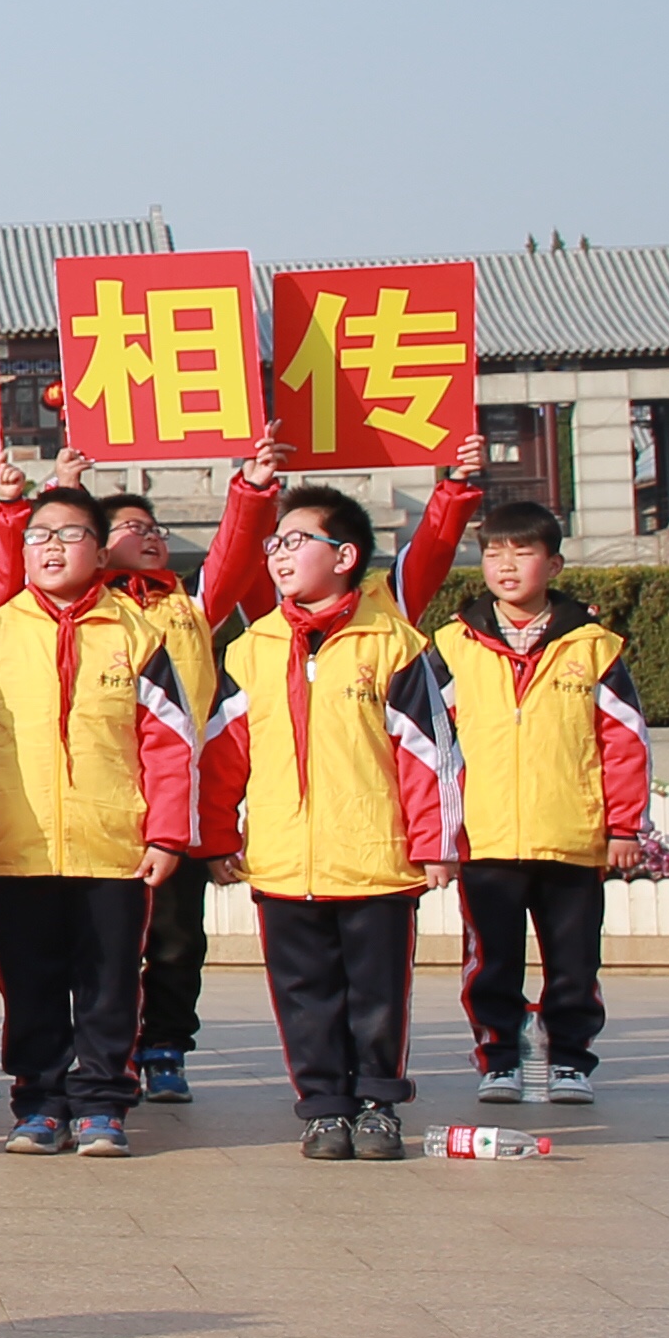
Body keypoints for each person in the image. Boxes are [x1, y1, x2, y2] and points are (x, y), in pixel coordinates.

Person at [0, 482, 204, 1153]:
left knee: (110, 982)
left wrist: (167, 833)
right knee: (28, 982)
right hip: (14, 848)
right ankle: (39, 1101)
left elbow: (169, 743)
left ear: (100, 548)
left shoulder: (137, 634)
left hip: (114, 846)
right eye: (38, 536)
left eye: (68, 534)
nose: (51, 547)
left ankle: (102, 1103)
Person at [206, 483, 464, 1161]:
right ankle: (324, 1108)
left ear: (345, 555)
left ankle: (379, 1103)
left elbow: (429, 755)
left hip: (375, 861)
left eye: (297, 541)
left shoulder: (392, 644)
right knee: (304, 994)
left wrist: (436, 841)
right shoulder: (251, 648)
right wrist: (215, 838)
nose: (280, 554)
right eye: (274, 543)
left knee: (377, 996)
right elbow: (223, 752)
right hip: (287, 864)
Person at [414, 495, 642, 1107]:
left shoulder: (595, 649)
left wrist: (624, 827)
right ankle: (499, 1057)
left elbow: (623, 743)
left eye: (523, 553)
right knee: (492, 961)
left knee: (574, 961)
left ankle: (569, 1059)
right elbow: (428, 746)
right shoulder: (453, 645)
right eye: (493, 553)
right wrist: (437, 835)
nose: (506, 566)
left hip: (572, 835)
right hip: (485, 838)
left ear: (556, 564)